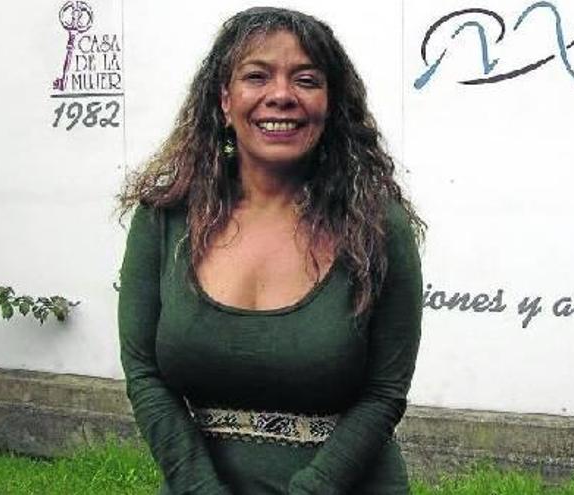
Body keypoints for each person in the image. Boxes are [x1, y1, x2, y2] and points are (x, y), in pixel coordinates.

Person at [117, 7, 425, 494]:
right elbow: (144, 374)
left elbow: (384, 393)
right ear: (225, 100)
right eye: (256, 76)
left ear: (330, 103)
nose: (281, 95)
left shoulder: (377, 228)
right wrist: (199, 488)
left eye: (306, 80)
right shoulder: (165, 218)